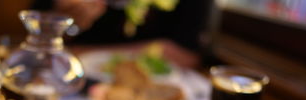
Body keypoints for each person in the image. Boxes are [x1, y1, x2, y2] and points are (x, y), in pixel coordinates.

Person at [32, 0, 216, 67]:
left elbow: (188, 55)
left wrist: (82, 51)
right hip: (72, 92)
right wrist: (66, 20)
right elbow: (37, 39)